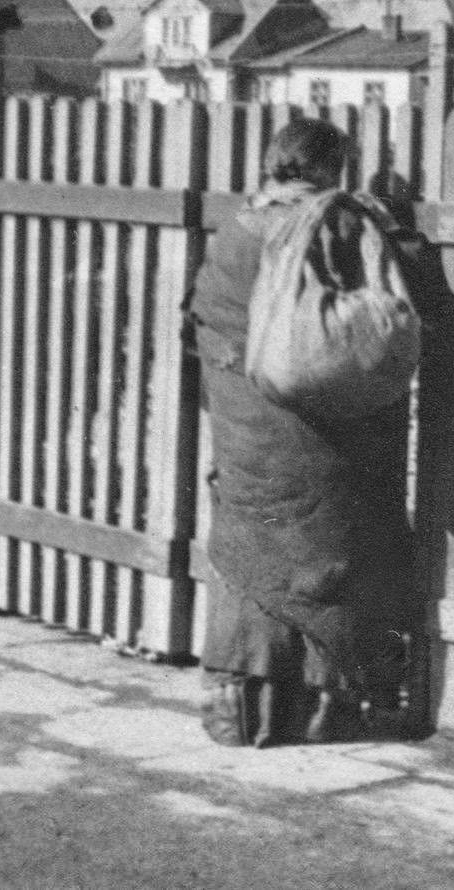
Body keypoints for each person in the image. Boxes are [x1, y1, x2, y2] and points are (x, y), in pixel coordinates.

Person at [188, 117, 416, 747]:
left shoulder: (237, 227)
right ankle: (320, 711)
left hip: (242, 416)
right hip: (313, 423)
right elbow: (387, 301)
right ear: (330, 166)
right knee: (321, 544)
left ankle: (238, 712)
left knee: (249, 539)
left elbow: (203, 315)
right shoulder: (335, 226)